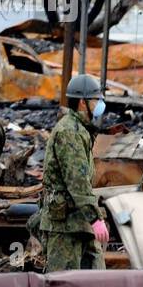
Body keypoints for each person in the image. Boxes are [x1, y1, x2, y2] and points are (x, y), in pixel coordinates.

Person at [38, 73, 110, 272]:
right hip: (65, 226)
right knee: (63, 285)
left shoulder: (81, 129)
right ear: (81, 103)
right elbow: (77, 181)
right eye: (96, 99)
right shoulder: (70, 132)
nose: (100, 104)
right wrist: (95, 218)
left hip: (78, 221)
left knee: (96, 280)